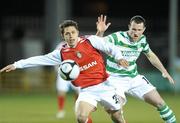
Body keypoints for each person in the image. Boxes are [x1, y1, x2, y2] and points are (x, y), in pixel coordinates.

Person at [0, 19, 129, 123]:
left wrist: (119, 58)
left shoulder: (91, 40)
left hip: (105, 85)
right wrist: (17, 64)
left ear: (77, 32)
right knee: (81, 117)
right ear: (63, 36)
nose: (71, 36)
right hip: (87, 91)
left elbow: (111, 48)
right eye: (67, 33)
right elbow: (40, 59)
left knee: (117, 118)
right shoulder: (61, 53)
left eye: (73, 32)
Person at [96, 15, 177, 123]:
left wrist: (164, 71)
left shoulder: (142, 40)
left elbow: (151, 55)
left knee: (161, 104)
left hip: (134, 78)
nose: (136, 33)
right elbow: (97, 44)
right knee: (115, 112)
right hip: (114, 80)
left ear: (143, 30)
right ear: (129, 26)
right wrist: (100, 32)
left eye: (139, 30)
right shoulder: (117, 37)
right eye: (133, 29)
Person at [54, 42, 80, 119]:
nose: (70, 36)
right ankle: (61, 111)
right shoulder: (60, 45)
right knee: (61, 91)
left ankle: (76, 106)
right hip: (63, 72)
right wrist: (57, 70)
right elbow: (55, 58)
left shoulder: (79, 44)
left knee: (78, 92)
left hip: (76, 72)